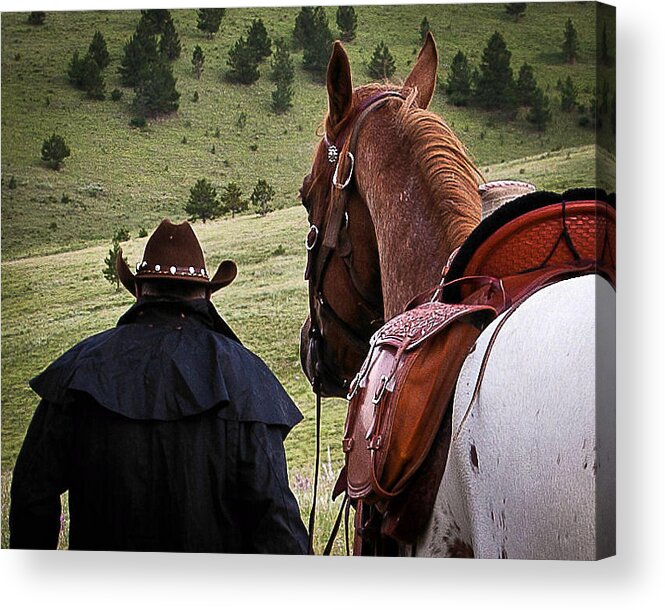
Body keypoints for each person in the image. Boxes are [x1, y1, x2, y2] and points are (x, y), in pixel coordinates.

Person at [9, 219, 308, 554]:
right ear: (206, 294)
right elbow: (278, 526)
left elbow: (30, 497)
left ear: (138, 290)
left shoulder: (79, 371)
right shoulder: (245, 378)